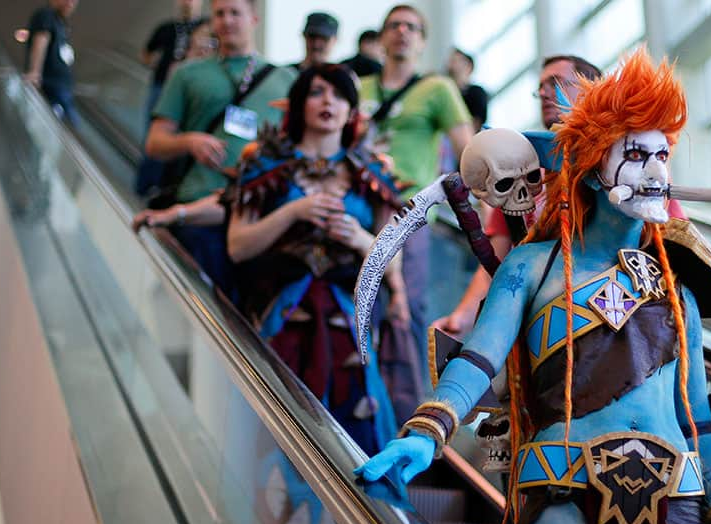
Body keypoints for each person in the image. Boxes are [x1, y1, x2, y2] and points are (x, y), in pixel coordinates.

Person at [356, 49, 711, 524]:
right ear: (592, 166)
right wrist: (427, 433)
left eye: (661, 154)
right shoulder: (533, 266)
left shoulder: (679, 286)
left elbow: (698, 419)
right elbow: (478, 360)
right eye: (635, 153)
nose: (655, 171)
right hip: (562, 491)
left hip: (680, 504)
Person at [225, 64, 409, 456]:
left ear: (351, 111)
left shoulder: (373, 171)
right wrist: (293, 212)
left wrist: (361, 239)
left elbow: (392, 263)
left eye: (340, 95)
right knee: (273, 435)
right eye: (317, 92)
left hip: (350, 319)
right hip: (279, 314)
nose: (329, 102)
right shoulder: (264, 162)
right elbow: (238, 246)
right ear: (298, 104)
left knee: (357, 430)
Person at [433, 54, 603, 337]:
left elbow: (668, 233)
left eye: (557, 82)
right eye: (541, 87)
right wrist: (462, 316)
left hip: (606, 308)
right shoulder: (519, 165)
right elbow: (499, 256)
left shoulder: (623, 158)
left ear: (591, 89)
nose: (545, 93)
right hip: (541, 318)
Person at [358, 4, 473, 416]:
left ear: (422, 40)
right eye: (394, 26)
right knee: (358, 301)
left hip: (409, 212)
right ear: (383, 36)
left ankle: (405, 411)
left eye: (412, 27)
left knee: (406, 309)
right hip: (358, 206)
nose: (402, 32)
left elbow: (469, 151)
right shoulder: (361, 88)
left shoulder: (437, 89)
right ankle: (360, 397)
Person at [143, 0, 296, 295]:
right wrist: (189, 141)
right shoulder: (189, 75)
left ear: (253, 18)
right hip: (198, 210)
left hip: (259, 216)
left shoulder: (285, 79)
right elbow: (154, 143)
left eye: (235, 13)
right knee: (204, 312)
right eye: (220, 14)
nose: (227, 21)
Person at [135, 0, 209, 195]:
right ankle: (146, 186)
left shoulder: (205, 26)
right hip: (161, 87)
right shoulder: (167, 28)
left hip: (191, 91)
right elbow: (145, 54)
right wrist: (159, 63)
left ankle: (166, 186)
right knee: (155, 135)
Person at [24, 0, 79, 127]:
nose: (71, 4)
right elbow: (41, 40)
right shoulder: (46, 15)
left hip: (63, 89)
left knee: (72, 129)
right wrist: (34, 72)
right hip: (51, 88)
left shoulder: (60, 22)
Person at [447, 48, 488, 132]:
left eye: (457, 61)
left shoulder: (477, 92)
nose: (452, 65)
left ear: (469, 67)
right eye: (452, 61)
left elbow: (477, 123)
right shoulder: (446, 92)